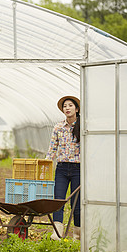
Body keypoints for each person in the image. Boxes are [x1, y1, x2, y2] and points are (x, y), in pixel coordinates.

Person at [45, 95, 81, 241]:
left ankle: (78, 234)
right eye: (65, 106)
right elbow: (52, 148)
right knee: (58, 200)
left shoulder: (82, 125)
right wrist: (46, 163)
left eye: (70, 105)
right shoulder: (58, 127)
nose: (67, 108)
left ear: (77, 109)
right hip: (61, 168)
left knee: (76, 203)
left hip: (78, 169)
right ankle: (57, 232)